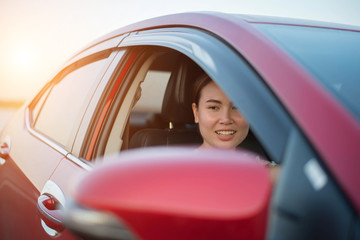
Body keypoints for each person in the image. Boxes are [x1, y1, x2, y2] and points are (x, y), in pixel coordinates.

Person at [191, 74, 280, 182]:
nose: (226, 119)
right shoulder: (178, 170)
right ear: (196, 113)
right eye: (214, 107)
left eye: (237, 107)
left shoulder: (265, 170)